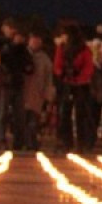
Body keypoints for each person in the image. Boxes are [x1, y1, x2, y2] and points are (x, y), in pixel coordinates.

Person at [53, 25, 96, 154]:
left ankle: (81, 143)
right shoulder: (62, 48)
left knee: (81, 114)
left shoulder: (84, 49)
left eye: (65, 34)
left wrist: (78, 78)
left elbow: (88, 68)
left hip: (81, 86)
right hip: (67, 84)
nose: (63, 37)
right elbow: (57, 64)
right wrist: (62, 74)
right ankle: (67, 142)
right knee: (64, 113)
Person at [0, 22, 34, 150]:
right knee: (2, 113)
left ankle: (19, 141)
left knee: (19, 114)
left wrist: (28, 68)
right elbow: (2, 61)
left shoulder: (24, 51)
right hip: (6, 84)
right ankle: (0, 139)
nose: (21, 39)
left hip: (18, 84)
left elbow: (30, 66)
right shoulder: (6, 47)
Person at [21, 32, 54, 151]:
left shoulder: (44, 59)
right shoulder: (23, 55)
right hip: (23, 93)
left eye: (37, 41)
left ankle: (32, 142)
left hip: (37, 94)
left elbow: (48, 78)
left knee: (34, 121)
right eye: (33, 40)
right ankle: (23, 141)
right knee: (23, 120)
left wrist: (48, 95)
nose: (35, 43)